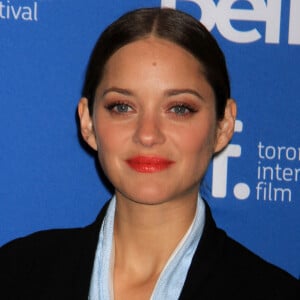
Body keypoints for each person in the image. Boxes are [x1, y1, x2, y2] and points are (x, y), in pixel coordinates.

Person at [0, 7, 298, 300]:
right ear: (88, 122)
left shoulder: (274, 292)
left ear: (224, 125)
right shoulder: (16, 272)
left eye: (180, 109)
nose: (147, 134)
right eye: (122, 107)